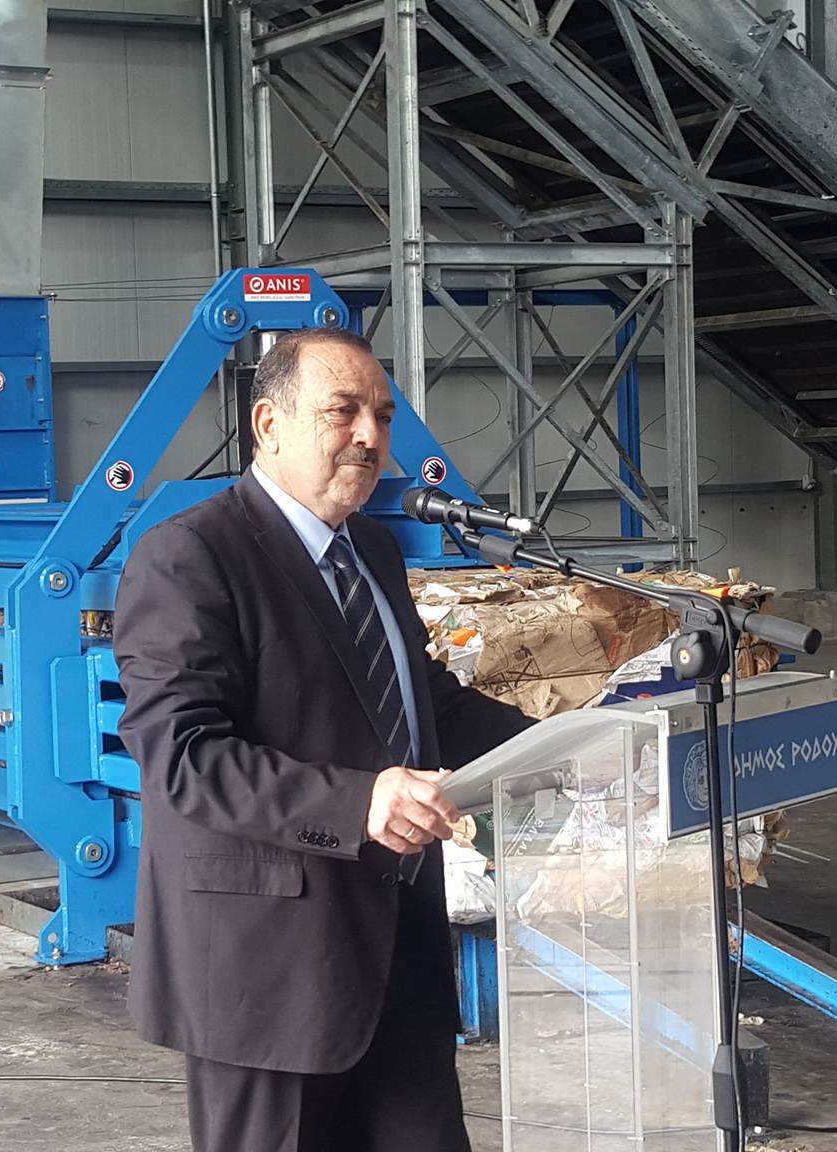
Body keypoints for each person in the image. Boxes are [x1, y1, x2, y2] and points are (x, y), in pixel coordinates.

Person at [113, 326, 535, 1152]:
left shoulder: (370, 547)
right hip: (268, 971)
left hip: (398, 949)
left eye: (382, 415)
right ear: (269, 424)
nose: (371, 436)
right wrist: (358, 802)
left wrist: (565, 744)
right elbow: (182, 755)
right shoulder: (190, 555)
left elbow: (423, 705)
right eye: (343, 411)